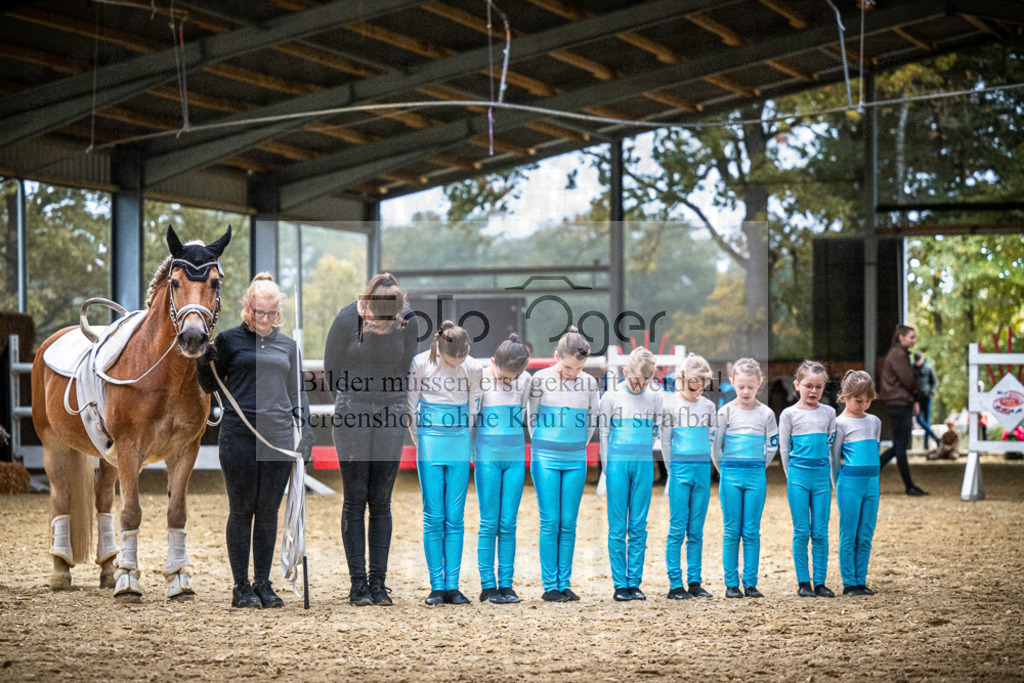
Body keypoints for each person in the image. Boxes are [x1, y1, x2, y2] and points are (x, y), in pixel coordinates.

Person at [197, 273, 315, 609]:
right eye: (259, 312)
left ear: (278, 312)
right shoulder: (228, 340)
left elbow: (298, 393)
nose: (264, 319)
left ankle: (263, 582)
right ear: (248, 307)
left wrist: (307, 431)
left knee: (267, 512)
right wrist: (203, 362)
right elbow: (209, 385)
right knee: (241, 510)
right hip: (239, 436)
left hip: (277, 438)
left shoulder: (288, 346)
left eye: (271, 313)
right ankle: (241, 586)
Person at [324, 273, 419, 607]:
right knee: (355, 499)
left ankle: (378, 584)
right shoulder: (346, 319)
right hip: (353, 408)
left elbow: (406, 367)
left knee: (381, 499)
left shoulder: (407, 321)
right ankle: (358, 584)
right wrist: (353, 403)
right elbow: (331, 370)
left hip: (391, 410)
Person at [407, 321, 482, 606]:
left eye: (460, 359)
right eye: (451, 360)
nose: (456, 364)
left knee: (455, 515)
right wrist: (419, 439)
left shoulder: (473, 367)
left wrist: (464, 435)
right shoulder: (420, 363)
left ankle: (453, 585)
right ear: (439, 349)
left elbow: (475, 403)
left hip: (458, 439)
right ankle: (436, 585)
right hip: (429, 439)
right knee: (433, 515)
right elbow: (410, 405)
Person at [528, 326, 600, 602]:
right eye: (568, 367)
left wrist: (576, 445)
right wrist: (544, 444)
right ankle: (550, 586)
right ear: (556, 356)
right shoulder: (540, 379)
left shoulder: (589, 384)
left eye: (579, 368)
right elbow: (532, 417)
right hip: (545, 457)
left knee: (569, 522)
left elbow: (591, 421)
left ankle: (564, 582)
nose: (572, 373)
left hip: (575, 458)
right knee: (551, 521)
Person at [600, 347, 664, 602]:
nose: (639, 386)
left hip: (643, 465)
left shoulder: (655, 397)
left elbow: (655, 429)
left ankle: (634, 582)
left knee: (638, 525)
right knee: (617, 526)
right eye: (635, 380)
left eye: (645, 381)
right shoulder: (611, 397)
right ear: (625, 372)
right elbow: (604, 434)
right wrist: (607, 468)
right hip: (617, 464)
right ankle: (619, 584)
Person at [712, 358, 778, 599]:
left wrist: (759, 466)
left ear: (760, 383)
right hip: (730, 476)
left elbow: (772, 445)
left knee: (751, 530)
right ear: (732, 383)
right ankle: (731, 584)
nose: (746, 391)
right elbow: (715, 446)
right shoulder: (725, 411)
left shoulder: (766, 413)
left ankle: (750, 583)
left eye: (751, 387)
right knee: (731, 531)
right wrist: (724, 470)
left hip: (755, 477)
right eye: (741, 387)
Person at [474, 334, 531, 605]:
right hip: (487, 456)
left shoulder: (525, 380)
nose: (507, 381)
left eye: (513, 377)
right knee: (489, 521)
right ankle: (488, 585)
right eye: (503, 376)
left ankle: (506, 583)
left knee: (508, 522)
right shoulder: (481, 378)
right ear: (493, 362)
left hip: (515, 456)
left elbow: (524, 411)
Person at [779, 360, 837, 598]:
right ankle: (804, 582)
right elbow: (784, 449)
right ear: (797, 385)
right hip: (798, 477)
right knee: (802, 530)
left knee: (820, 530)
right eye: (808, 386)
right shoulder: (789, 414)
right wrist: (790, 475)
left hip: (821, 477)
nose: (813, 391)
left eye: (819, 387)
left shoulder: (829, 413)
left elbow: (831, 448)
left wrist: (832, 479)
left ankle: (820, 581)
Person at [661, 353, 717, 600]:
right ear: (680, 380)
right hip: (680, 471)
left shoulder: (708, 407)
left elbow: (712, 438)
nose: (696, 393)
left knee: (696, 529)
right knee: (677, 528)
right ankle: (675, 583)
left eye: (701, 388)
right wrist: (671, 470)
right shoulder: (670, 406)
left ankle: (695, 581)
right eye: (692, 388)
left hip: (702, 471)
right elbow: (665, 442)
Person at [831, 370, 881, 596]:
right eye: (858, 401)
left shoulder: (874, 422)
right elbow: (834, 458)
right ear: (845, 395)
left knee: (866, 532)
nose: (863, 405)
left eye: (867, 401)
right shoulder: (839, 423)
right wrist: (836, 484)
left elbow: (873, 451)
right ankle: (849, 582)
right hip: (849, 484)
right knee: (849, 532)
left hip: (872, 484)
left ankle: (861, 580)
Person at [879, 325, 928, 496]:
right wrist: (918, 395)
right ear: (901, 337)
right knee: (901, 445)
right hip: (899, 403)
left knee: (899, 445)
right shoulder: (898, 355)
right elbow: (908, 380)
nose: (914, 340)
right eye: (911, 337)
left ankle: (872, 471)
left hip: (898, 402)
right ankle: (909, 486)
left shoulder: (898, 354)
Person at [913, 352, 940, 451]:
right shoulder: (912, 369)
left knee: (927, 421)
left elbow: (933, 382)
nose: (917, 363)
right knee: (919, 420)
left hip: (927, 398)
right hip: (917, 400)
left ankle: (926, 445)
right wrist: (915, 401)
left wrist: (931, 393)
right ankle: (936, 438)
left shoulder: (928, 368)